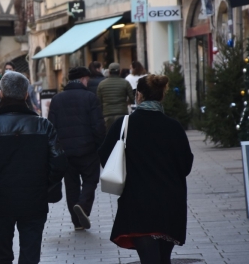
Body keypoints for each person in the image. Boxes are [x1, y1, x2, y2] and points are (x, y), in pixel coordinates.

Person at [0, 72, 67, 264]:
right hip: (34, 199)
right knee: (30, 255)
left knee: (3, 254)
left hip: (1, 200)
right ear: (26, 95)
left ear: (1, 94)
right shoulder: (43, 125)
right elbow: (59, 163)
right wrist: (43, 185)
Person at [98, 75, 194, 264]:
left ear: (139, 95)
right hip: (170, 203)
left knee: (149, 259)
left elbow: (104, 158)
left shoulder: (124, 125)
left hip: (138, 203)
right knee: (164, 258)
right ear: (161, 97)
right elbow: (186, 165)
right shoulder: (173, 127)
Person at [48, 67, 106, 231]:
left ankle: (77, 222)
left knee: (71, 185)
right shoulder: (90, 98)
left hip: (66, 152)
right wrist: (100, 146)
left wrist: (55, 150)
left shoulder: (57, 99)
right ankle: (83, 206)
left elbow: (51, 127)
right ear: (83, 79)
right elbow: (98, 126)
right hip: (88, 150)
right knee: (90, 180)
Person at [97, 62, 134, 131]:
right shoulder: (125, 83)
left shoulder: (101, 84)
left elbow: (99, 102)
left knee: (110, 136)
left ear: (109, 72)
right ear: (119, 71)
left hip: (107, 115)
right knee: (121, 136)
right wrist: (126, 102)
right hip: (122, 113)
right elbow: (132, 98)